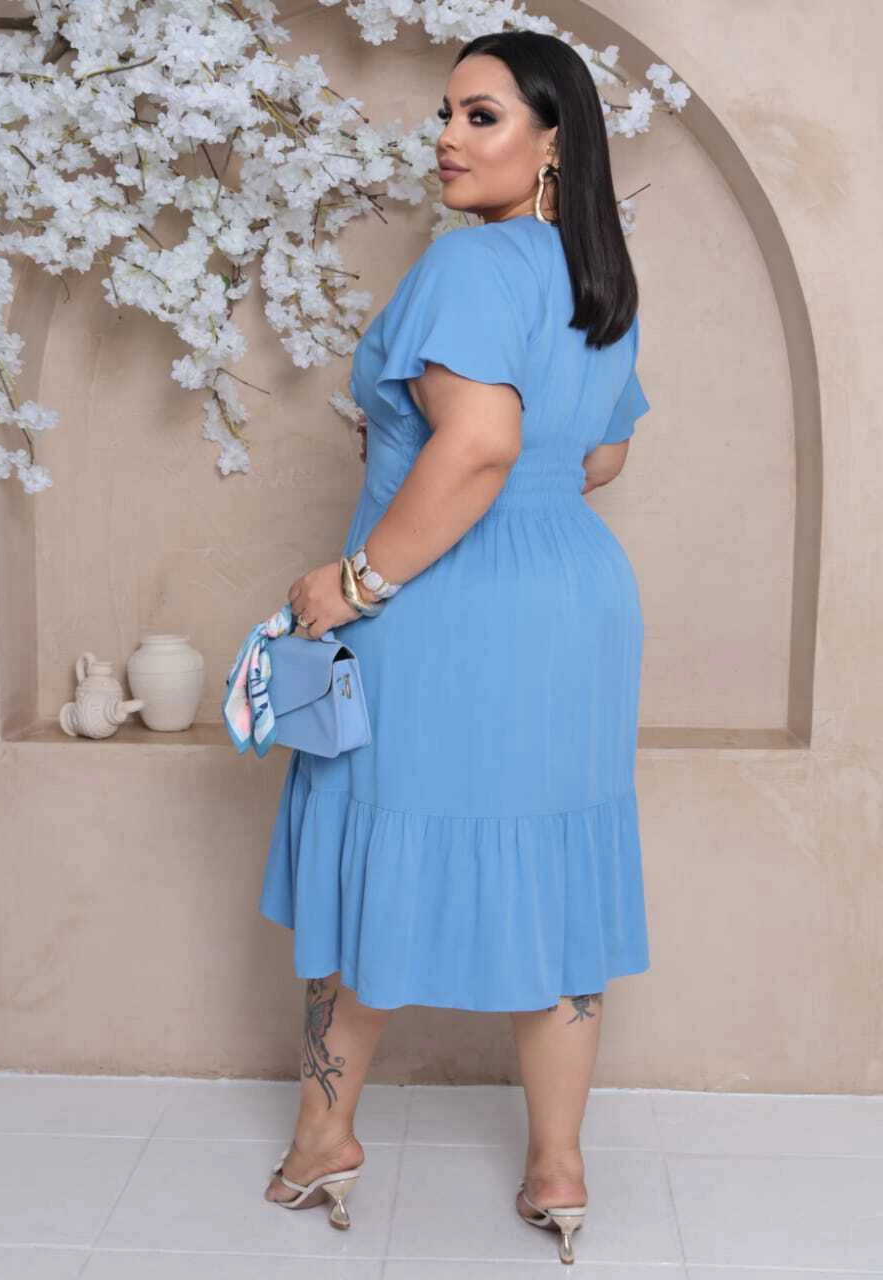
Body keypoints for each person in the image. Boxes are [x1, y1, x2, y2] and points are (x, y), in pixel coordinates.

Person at [258, 29, 651, 1260]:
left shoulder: (468, 263)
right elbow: (598, 454)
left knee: (374, 841)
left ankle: (324, 1138)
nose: (444, 136)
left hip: (446, 601)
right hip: (573, 596)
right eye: (444, 112)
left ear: (553, 141)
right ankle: (558, 1169)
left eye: (480, 115)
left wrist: (354, 581)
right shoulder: (598, 273)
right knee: (555, 859)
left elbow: (478, 444)